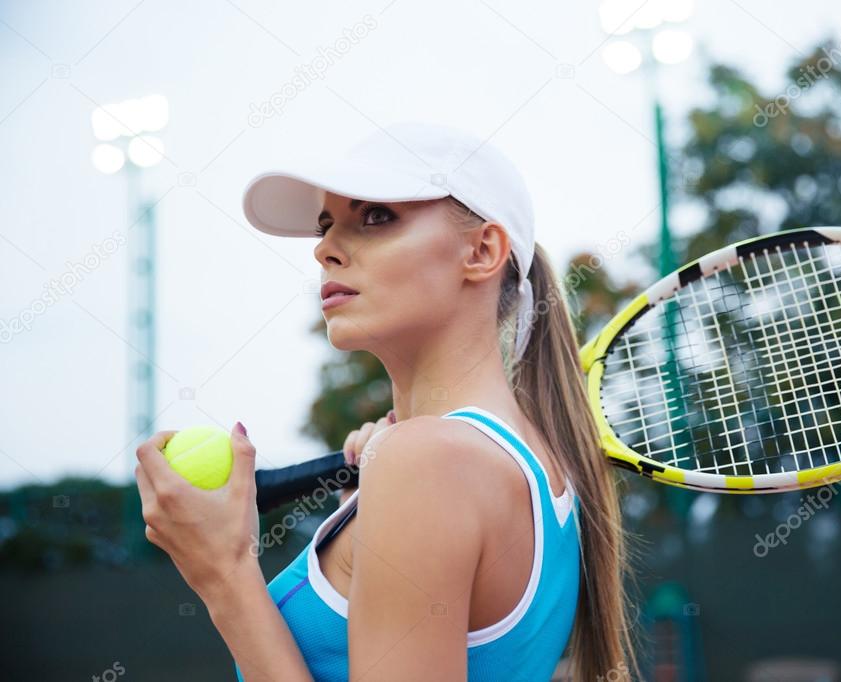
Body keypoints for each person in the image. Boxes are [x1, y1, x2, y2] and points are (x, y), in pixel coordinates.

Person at [134, 121, 640, 681]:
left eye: (376, 217)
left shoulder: (429, 460)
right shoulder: (526, 463)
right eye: (326, 225)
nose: (325, 249)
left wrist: (224, 572)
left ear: (482, 250)